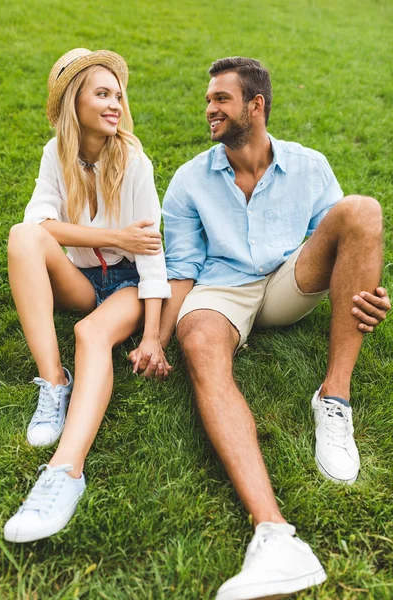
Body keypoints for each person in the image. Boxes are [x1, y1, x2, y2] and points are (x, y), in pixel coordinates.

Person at [134, 57, 390, 599]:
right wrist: (157, 334)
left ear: (256, 105)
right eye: (208, 100)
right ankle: (274, 536)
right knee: (198, 341)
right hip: (220, 286)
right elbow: (181, 269)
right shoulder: (188, 181)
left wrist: (363, 288)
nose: (209, 109)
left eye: (221, 99)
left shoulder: (310, 166)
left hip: (286, 279)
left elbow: (342, 243)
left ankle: (334, 398)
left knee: (362, 210)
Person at [4, 48, 171, 543]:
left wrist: (156, 334)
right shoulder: (55, 154)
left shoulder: (135, 160)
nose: (115, 102)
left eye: (118, 94)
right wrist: (114, 237)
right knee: (21, 235)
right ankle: (55, 382)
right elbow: (39, 223)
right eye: (102, 93)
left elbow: (152, 255)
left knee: (90, 331)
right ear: (75, 103)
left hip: (128, 285)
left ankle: (66, 473)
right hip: (83, 280)